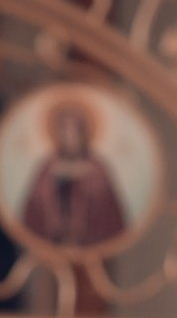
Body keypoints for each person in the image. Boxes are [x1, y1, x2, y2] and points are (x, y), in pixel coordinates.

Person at [18, 99, 130, 248]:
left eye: (75, 131)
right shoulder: (48, 167)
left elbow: (108, 209)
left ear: (84, 133)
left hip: (91, 246)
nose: (69, 137)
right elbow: (35, 205)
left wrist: (84, 183)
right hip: (53, 246)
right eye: (64, 130)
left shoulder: (97, 168)